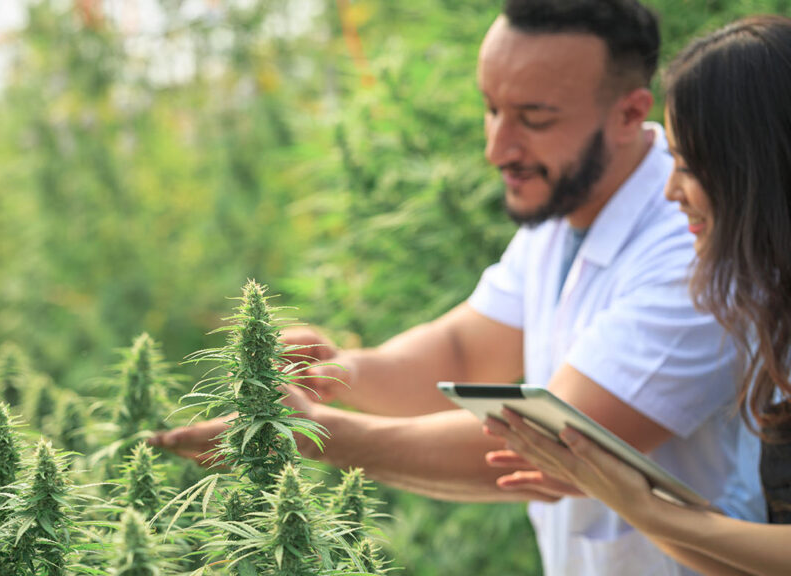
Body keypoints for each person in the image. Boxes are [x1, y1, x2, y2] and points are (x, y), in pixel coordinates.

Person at [151, 1, 765, 574]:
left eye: (534, 119)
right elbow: (469, 350)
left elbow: (551, 442)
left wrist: (312, 435)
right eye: (492, 108)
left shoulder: (697, 245)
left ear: (631, 113)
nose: (497, 146)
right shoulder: (567, 208)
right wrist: (342, 372)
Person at [483, 15, 791, 576]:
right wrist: (628, 500)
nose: (672, 190)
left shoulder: (695, 281)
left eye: (690, 167)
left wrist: (643, 506)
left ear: (758, 173)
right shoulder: (767, 311)